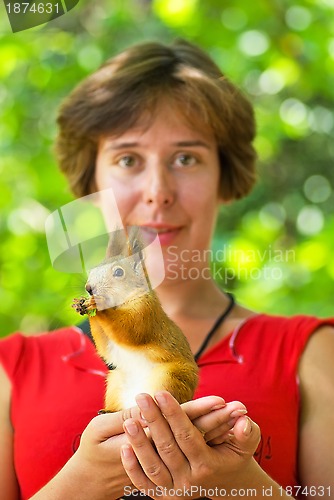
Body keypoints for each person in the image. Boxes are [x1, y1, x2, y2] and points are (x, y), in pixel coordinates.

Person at [1, 38, 334, 500]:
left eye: (186, 158)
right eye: (128, 159)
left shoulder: (314, 354)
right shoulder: (11, 369)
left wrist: (243, 487)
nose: (158, 191)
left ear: (225, 176)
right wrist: (83, 483)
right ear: (90, 181)